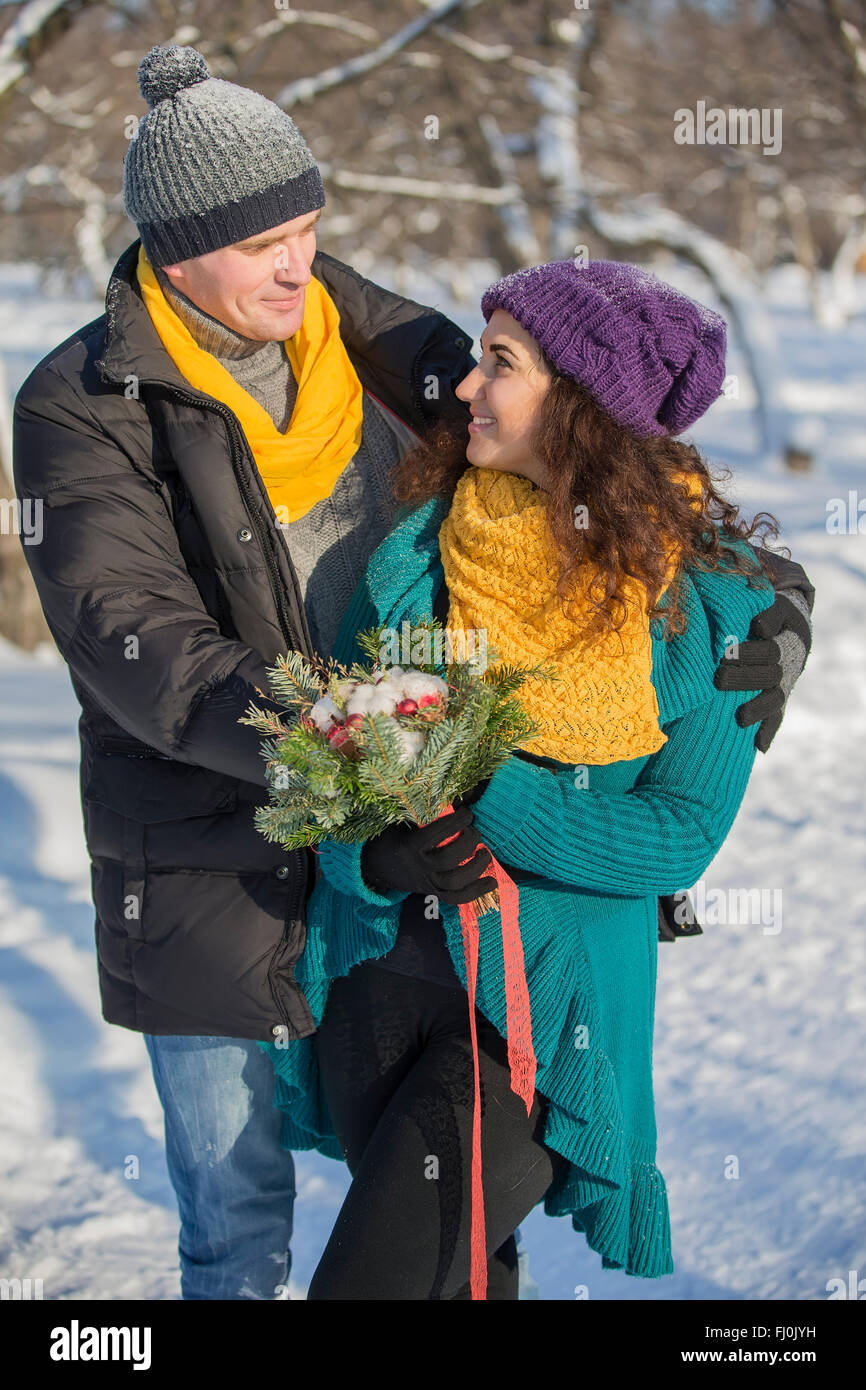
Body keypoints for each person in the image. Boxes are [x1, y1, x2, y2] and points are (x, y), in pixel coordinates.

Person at [11, 44, 812, 1300]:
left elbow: (606, 452)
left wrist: (775, 602)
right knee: (237, 1208)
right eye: (255, 241)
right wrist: (377, 772)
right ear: (171, 253)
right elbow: (144, 655)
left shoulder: (387, 342)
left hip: (440, 868)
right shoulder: (83, 402)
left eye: (308, 225)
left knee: (431, 1232)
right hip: (219, 837)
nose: (295, 263)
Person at [263, 258, 800, 1300]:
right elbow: (332, 769)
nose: (464, 386)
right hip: (380, 987)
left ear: (580, 405)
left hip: (543, 1022)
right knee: (464, 1278)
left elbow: (673, 836)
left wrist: (475, 781)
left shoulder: (712, 610)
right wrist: (374, 854)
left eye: (498, 363)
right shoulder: (420, 555)